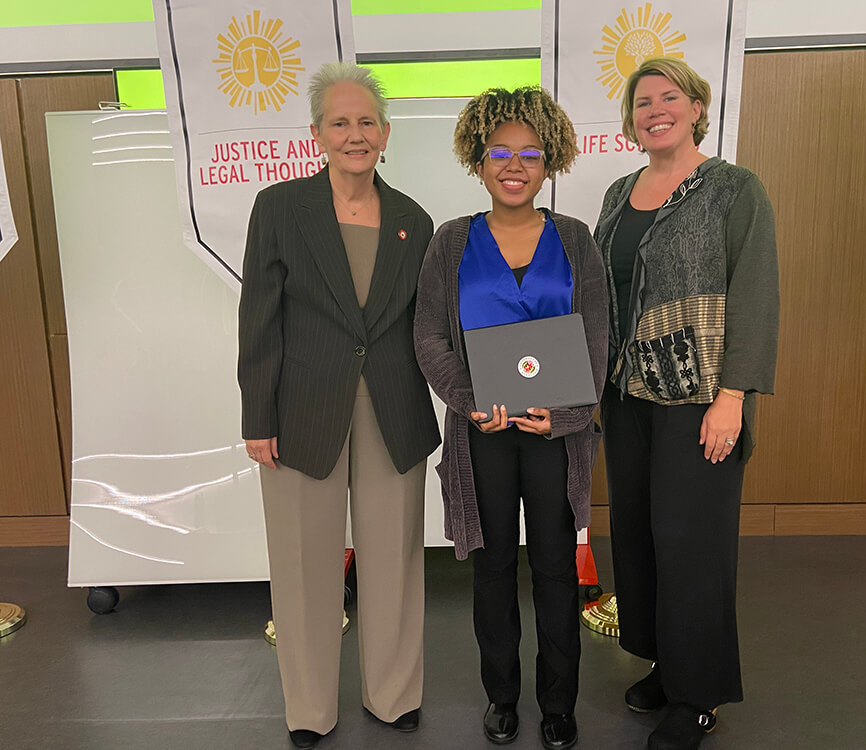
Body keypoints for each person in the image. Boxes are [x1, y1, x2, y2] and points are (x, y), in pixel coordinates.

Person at [238, 62, 440, 750]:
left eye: (366, 122)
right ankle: (309, 709)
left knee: (395, 561)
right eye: (339, 122)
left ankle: (393, 695)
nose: (355, 134)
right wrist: (256, 418)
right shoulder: (279, 208)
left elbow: (428, 325)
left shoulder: (415, 219)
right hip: (299, 413)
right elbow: (258, 319)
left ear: (385, 133)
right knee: (302, 566)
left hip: (394, 410)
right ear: (318, 133)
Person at [414, 86, 608, 750]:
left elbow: (594, 338)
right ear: (478, 159)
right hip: (482, 436)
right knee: (492, 567)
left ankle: (558, 702)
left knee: (556, 568)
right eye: (501, 151)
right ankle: (501, 696)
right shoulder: (450, 242)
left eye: (530, 152)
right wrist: (471, 402)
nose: (515, 164)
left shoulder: (575, 240)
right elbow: (429, 338)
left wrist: (563, 414)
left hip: (556, 437)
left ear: (549, 160)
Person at [594, 58, 779, 750]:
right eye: (643, 102)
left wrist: (733, 396)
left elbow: (755, 293)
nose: (655, 109)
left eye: (669, 97)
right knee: (639, 535)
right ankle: (667, 665)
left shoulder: (734, 189)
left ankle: (697, 695)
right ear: (631, 119)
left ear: (697, 107)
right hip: (627, 396)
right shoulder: (618, 193)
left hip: (700, 399)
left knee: (691, 545)